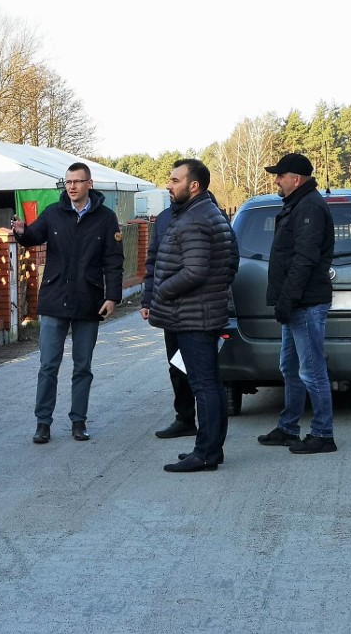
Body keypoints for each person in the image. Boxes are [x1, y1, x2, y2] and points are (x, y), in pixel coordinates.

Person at [11, 162, 124, 443]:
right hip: (54, 300)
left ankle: (78, 421)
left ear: (90, 184)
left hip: (89, 301)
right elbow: (33, 236)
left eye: (77, 181)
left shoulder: (106, 218)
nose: (72, 186)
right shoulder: (53, 213)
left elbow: (114, 261)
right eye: (68, 182)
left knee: (82, 366)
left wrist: (112, 297)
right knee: (48, 365)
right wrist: (22, 231)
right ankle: (43, 423)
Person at [148, 159, 237, 472]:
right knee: (208, 383)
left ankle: (207, 454)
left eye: (174, 180)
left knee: (204, 386)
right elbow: (226, 264)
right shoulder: (204, 213)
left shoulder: (196, 218)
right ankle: (210, 449)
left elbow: (196, 270)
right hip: (198, 311)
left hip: (194, 316)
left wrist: (162, 289)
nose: (169, 186)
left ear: (193, 185)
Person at [257, 153, 337, 454]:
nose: (276, 180)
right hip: (295, 304)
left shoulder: (310, 207)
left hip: (305, 303)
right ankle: (289, 427)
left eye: (280, 175)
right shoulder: (298, 204)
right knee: (290, 366)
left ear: (296, 179)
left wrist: (287, 300)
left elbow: (304, 259)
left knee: (311, 370)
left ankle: (323, 434)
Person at [141, 203, 197, 439]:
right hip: (169, 307)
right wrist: (147, 299)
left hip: (199, 306)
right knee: (177, 364)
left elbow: (228, 258)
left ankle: (212, 428)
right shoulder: (164, 218)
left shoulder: (207, 213)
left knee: (204, 368)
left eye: (175, 180)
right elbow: (153, 261)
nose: (169, 185)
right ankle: (185, 419)